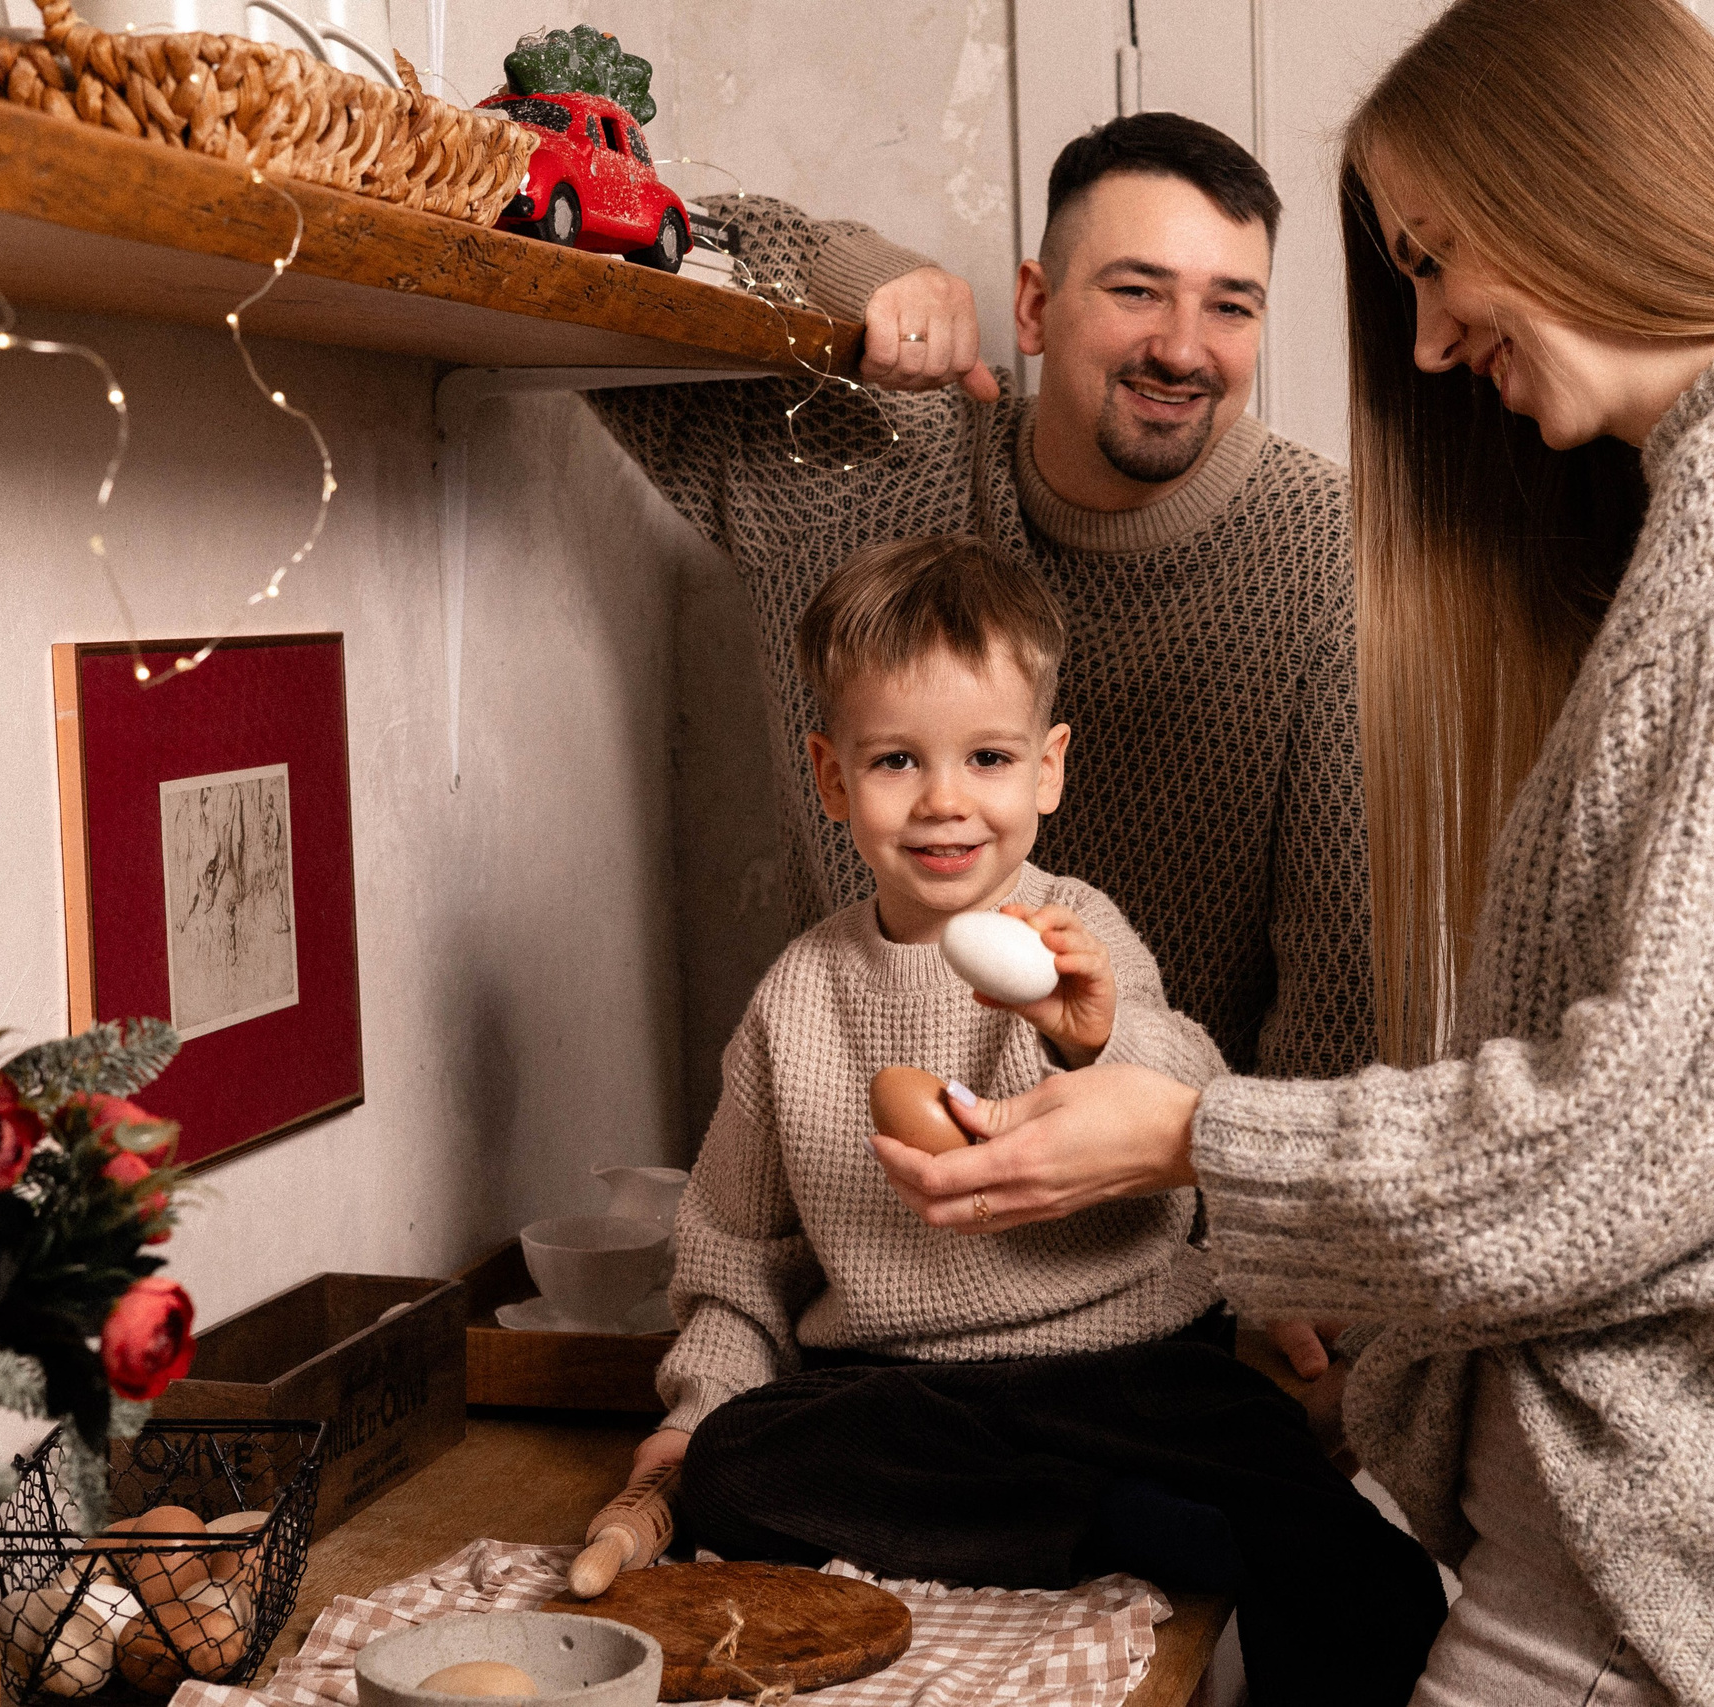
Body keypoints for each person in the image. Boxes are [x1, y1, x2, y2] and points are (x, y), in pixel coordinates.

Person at [869, 2, 1714, 1703]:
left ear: (1589, 178)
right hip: (1664, 1565)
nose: (1435, 338)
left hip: (1676, 1595)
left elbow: (1642, 1139)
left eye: (1441, 259)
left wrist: (1193, 1141)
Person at [634, 534, 1445, 1707]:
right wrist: (697, 1408)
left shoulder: (1080, 937)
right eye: (897, 760)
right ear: (829, 777)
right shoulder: (798, 999)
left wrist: (1094, 1034)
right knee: (737, 1466)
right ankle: (1101, 1526)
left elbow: (1194, 1101)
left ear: (1049, 769)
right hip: (910, 1396)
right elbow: (733, 1255)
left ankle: (1135, 1520)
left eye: (989, 757)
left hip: (1131, 1372)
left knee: (1365, 1572)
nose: (946, 800)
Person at [589, 113, 1376, 1080]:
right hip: (859, 1166)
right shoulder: (868, 462)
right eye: (1138, 291)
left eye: (1231, 307)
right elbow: (620, 239)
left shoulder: (1338, 553)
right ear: (1034, 308)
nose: (1182, 349)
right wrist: (864, 283)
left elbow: (1342, 1000)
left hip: (1157, 1194)